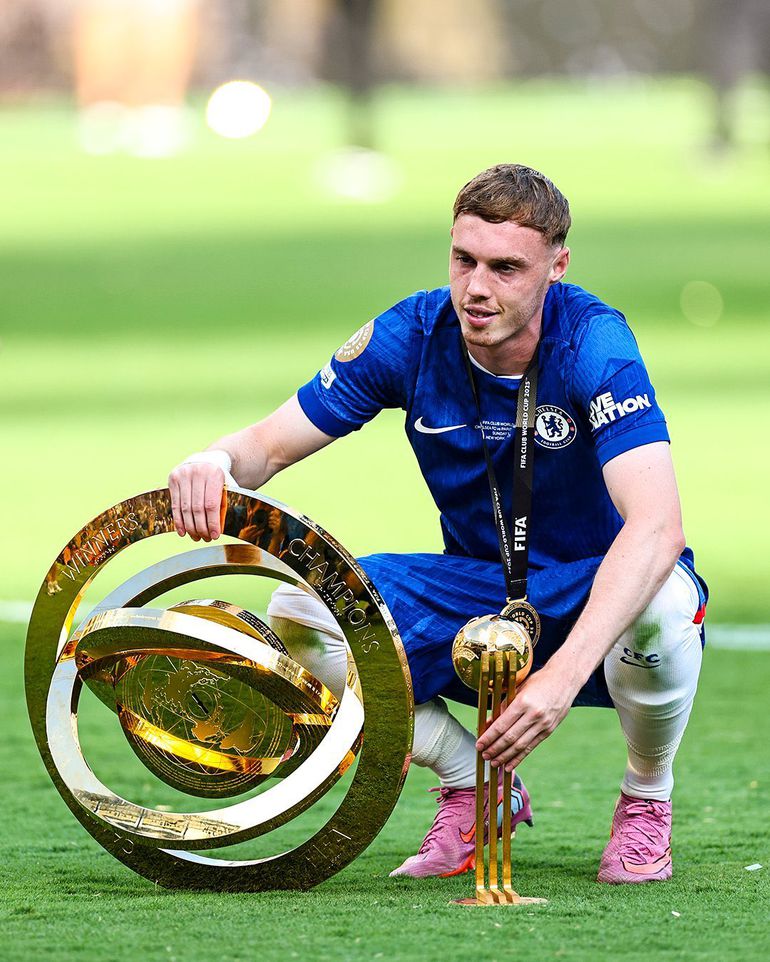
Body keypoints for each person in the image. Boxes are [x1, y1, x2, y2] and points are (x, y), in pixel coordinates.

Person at [168, 164, 707, 885]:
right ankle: (474, 785)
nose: (477, 287)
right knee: (304, 611)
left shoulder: (594, 343)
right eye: (464, 260)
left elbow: (658, 528)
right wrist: (213, 461)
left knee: (664, 602)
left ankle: (646, 798)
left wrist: (561, 678)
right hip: (482, 592)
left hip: (596, 589)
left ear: (556, 266)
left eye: (506, 268)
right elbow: (264, 447)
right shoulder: (412, 335)